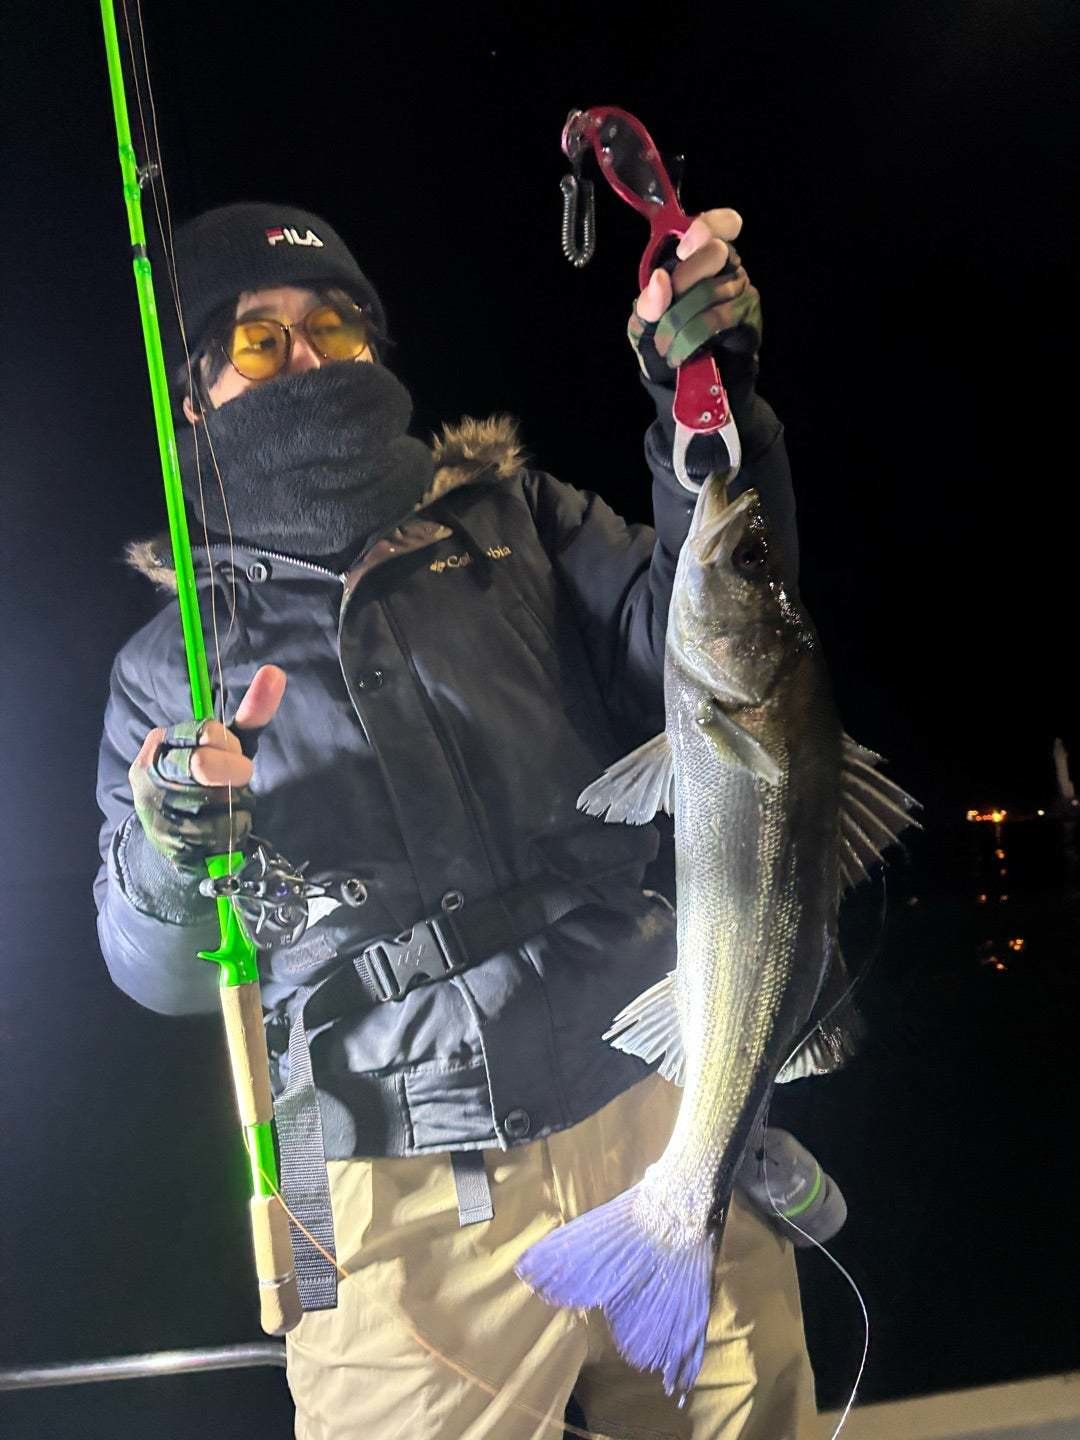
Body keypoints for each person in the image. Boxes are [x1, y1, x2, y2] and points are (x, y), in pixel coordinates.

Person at [95, 200, 843, 1440]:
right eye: (260, 341)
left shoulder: (522, 524)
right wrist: (173, 844)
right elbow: (152, 967)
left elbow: (723, 634)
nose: (308, 356)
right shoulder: (164, 667)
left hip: (658, 1098)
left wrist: (711, 414)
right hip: (396, 1190)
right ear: (196, 395)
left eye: (336, 328)